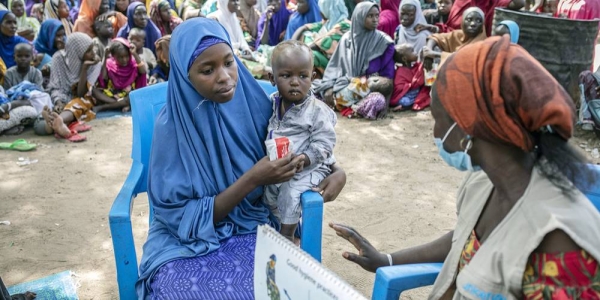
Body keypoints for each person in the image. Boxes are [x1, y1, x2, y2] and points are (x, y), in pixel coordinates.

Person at [332, 35, 600, 299]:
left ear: (467, 126)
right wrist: (387, 259)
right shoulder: (484, 183)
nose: (435, 132)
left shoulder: (560, 244)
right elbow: (463, 239)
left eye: (438, 119)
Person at [135, 18, 346, 299]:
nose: (224, 77)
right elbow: (179, 218)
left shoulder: (257, 105)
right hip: (185, 243)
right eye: (207, 70)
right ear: (186, 77)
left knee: (278, 288)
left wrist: (336, 169)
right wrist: (254, 179)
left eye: (229, 62)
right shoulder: (171, 129)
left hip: (255, 223)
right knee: (179, 291)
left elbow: (297, 145)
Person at [263, 40, 337, 241]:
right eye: (287, 76)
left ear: (312, 77)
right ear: (272, 78)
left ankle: (287, 235)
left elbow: (326, 142)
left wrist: (305, 158)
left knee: (290, 191)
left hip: (311, 167)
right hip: (284, 165)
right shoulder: (272, 102)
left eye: (303, 76)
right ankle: (286, 223)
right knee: (268, 193)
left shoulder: (316, 110)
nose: (295, 82)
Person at [312, 2, 395, 112]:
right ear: (359, 17)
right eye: (370, 16)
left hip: (368, 90)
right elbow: (335, 68)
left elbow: (388, 78)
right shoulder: (347, 39)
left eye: (377, 15)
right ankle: (343, 104)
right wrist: (329, 88)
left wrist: (386, 106)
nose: (375, 19)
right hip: (344, 86)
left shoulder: (384, 42)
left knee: (377, 101)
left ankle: (349, 106)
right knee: (314, 90)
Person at [42, 32, 102, 142]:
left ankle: (59, 120)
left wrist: (84, 68)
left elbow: (81, 93)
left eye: (92, 48)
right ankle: (56, 123)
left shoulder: (95, 63)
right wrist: (59, 101)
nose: (93, 53)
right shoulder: (58, 58)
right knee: (50, 105)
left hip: (82, 97)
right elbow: (56, 87)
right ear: (76, 50)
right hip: (61, 95)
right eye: (88, 50)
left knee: (79, 103)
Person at [290, 0, 350, 78]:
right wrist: (291, 45)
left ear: (329, 8)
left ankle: (308, 79)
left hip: (336, 64)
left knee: (310, 55)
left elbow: (322, 44)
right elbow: (306, 27)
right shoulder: (329, 21)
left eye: (322, 8)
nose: (320, 12)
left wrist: (297, 52)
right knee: (306, 35)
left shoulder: (345, 25)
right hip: (324, 56)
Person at [421, 7, 486, 70]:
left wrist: (433, 54)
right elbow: (435, 37)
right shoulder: (458, 34)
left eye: (478, 20)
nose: (473, 24)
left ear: (482, 25)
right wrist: (428, 52)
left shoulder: (484, 44)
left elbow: (463, 59)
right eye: (469, 20)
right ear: (462, 22)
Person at [0, 43, 42, 135]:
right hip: (12, 108)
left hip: (31, 106)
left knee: (34, 114)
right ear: (14, 57)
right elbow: (7, 96)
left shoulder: (36, 73)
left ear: (32, 57)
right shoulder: (9, 73)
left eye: (27, 56)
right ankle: (9, 127)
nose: (23, 58)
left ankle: (9, 127)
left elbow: (39, 95)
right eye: (19, 56)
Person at [95, 37, 147, 113]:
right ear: (113, 56)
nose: (124, 60)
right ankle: (122, 104)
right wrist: (105, 57)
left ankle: (103, 107)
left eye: (127, 56)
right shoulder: (109, 63)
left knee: (133, 97)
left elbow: (143, 72)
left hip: (128, 94)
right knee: (94, 91)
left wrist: (134, 54)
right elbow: (103, 77)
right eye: (120, 57)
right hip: (113, 94)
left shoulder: (133, 63)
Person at [443, 0, 524, 36]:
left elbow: (519, 3)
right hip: (456, 41)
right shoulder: (462, 1)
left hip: (481, 45)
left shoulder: (494, 2)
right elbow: (452, 28)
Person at [390, 43, 430, 111]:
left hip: (413, 93)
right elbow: (400, 87)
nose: (415, 53)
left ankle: (405, 106)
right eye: (412, 51)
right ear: (404, 58)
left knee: (424, 94)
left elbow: (418, 73)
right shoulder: (400, 71)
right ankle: (404, 106)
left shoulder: (413, 67)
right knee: (405, 101)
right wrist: (410, 85)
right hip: (404, 96)